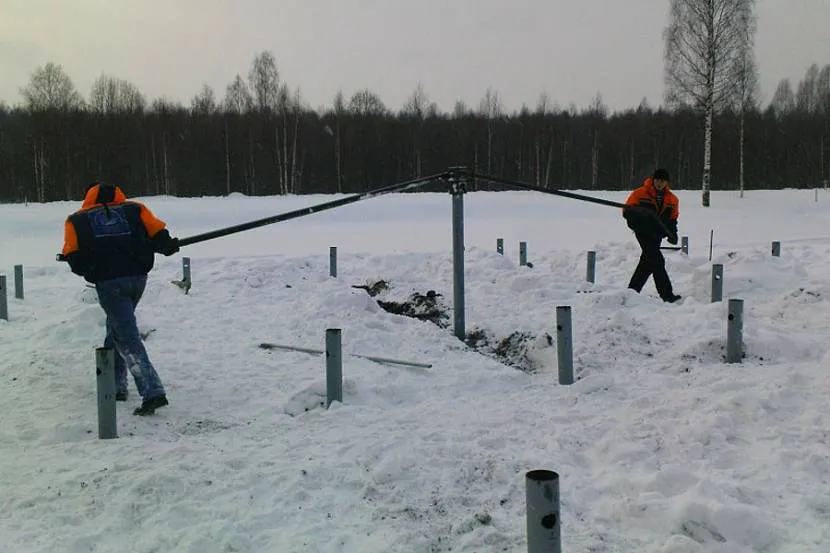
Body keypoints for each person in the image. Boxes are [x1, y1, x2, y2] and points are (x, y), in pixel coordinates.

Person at [60, 182, 180, 415]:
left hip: (109, 283)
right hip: (137, 279)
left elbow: (73, 256)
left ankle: (152, 390)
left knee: (126, 337)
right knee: (116, 328)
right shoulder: (136, 210)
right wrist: (167, 246)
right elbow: (159, 235)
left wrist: (88, 267)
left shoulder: (76, 220)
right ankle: (115, 386)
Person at [622, 168, 682, 303]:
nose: (659, 183)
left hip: (657, 234)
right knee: (657, 261)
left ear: (667, 182)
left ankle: (632, 291)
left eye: (663, 181)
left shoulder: (673, 199)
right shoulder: (640, 193)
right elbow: (627, 212)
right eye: (658, 180)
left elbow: (673, 219)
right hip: (643, 232)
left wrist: (673, 234)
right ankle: (667, 295)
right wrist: (640, 219)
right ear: (653, 179)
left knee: (647, 262)